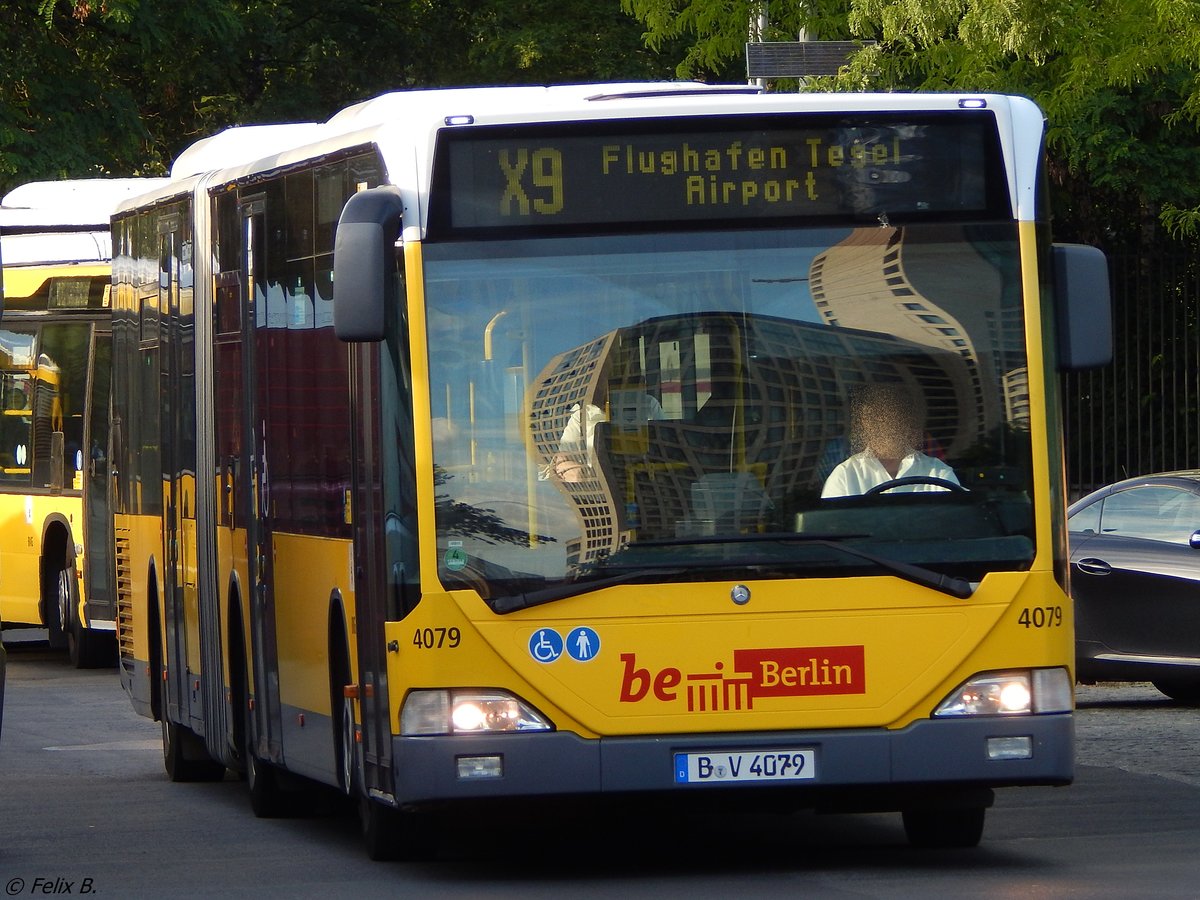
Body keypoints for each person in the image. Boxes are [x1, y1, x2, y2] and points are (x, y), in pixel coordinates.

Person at [821, 382, 960, 498]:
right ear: (864, 423)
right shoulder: (845, 475)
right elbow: (833, 527)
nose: (883, 424)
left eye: (891, 416)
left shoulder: (938, 472)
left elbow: (956, 523)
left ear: (906, 422)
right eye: (872, 418)